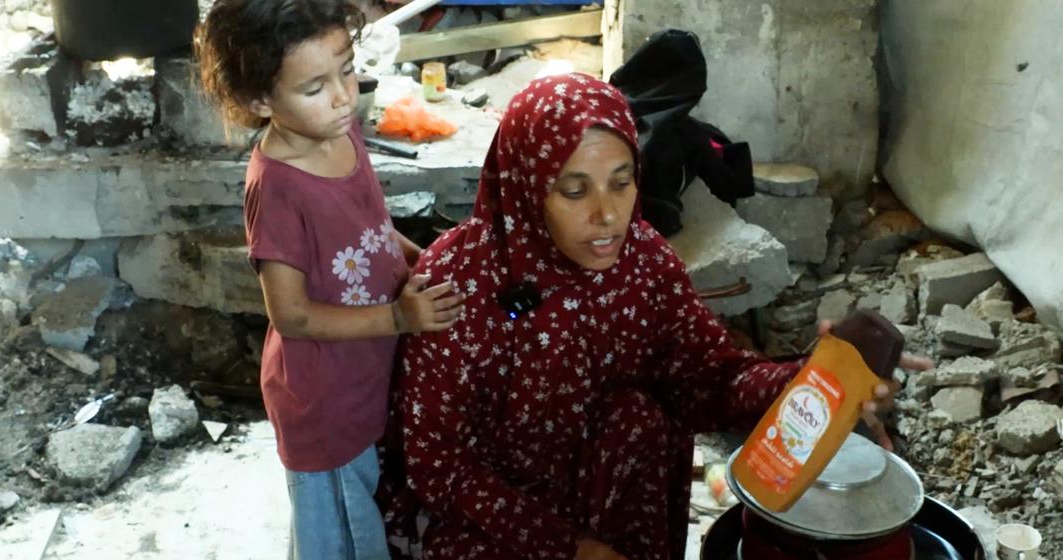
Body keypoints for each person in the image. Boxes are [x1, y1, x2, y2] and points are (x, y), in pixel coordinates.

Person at [380, 73, 930, 560]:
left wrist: (818, 379)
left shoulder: (642, 262)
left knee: (642, 418)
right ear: (526, 187)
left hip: (605, 487)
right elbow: (438, 465)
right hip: (498, 515)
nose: (608, 215)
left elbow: (713, 380)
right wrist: (570, 549)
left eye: (622, 182)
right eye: (575, 190)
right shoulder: (461, 283)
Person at [195, 1, 464, 558]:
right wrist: (395, 317)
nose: (343, 96)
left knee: (368, 507)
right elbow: (289, 315)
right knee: (339, 536)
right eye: (315, 87)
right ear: (259, 101)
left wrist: (421, 258)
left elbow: (371, 224)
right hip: (323, 406)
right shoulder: (278, 189)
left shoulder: (340, 133)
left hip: (365, 377)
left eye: (346, 68)